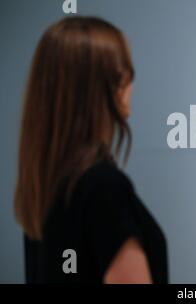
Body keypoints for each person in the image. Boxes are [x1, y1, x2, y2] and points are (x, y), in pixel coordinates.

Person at [14, 16, 168, 283]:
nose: (131, 83)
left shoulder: (44, 188)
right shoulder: (103, 188)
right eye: (125, 71)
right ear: (105, 87)